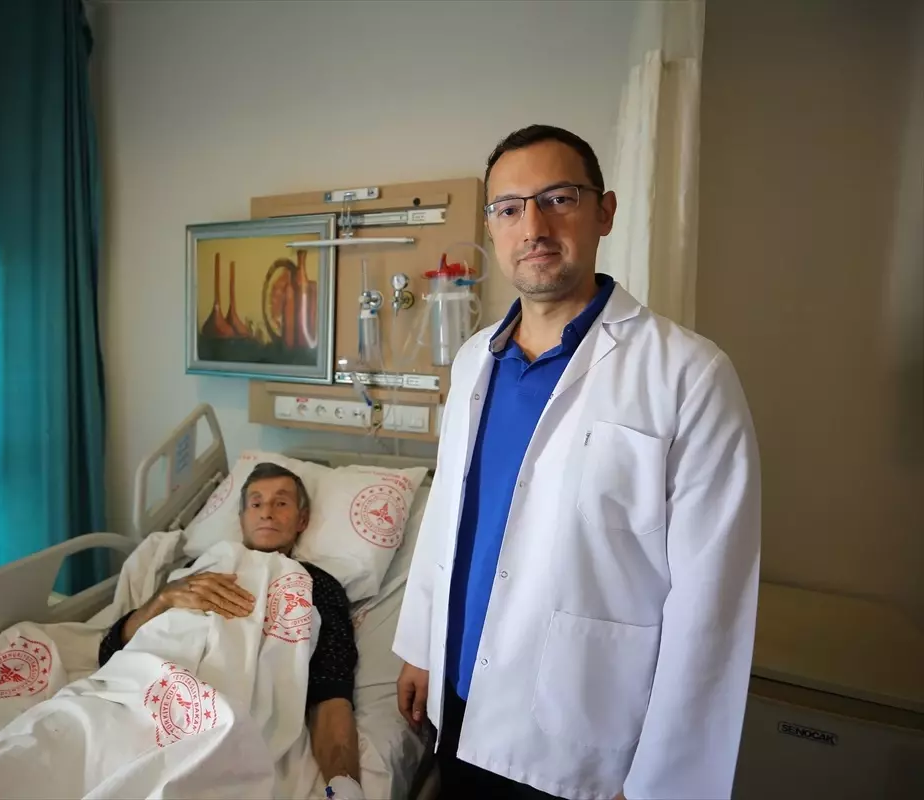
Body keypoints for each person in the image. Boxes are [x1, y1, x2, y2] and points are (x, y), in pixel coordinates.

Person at [393, 125, 761, 800]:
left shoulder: (689, 374)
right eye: (509, 208)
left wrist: (661, 782)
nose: (533, 226)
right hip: (461, 699)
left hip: (584, 739)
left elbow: (711, 604)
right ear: (492, 227)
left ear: (604, 212)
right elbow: (448, 517)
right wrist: (420, 645)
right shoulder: (475, 360)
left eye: (558, 198)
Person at [98, 461, 365, 800]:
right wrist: (162, 599)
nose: (266, 512)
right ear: (241, 520)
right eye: (256, 503)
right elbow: (110, 652)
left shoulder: (318, 585)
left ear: (302, 520)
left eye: (281, 502)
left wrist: (344, 785)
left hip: (227, 704)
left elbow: (331, 687)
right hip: (139, 694)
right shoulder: (199, 566)